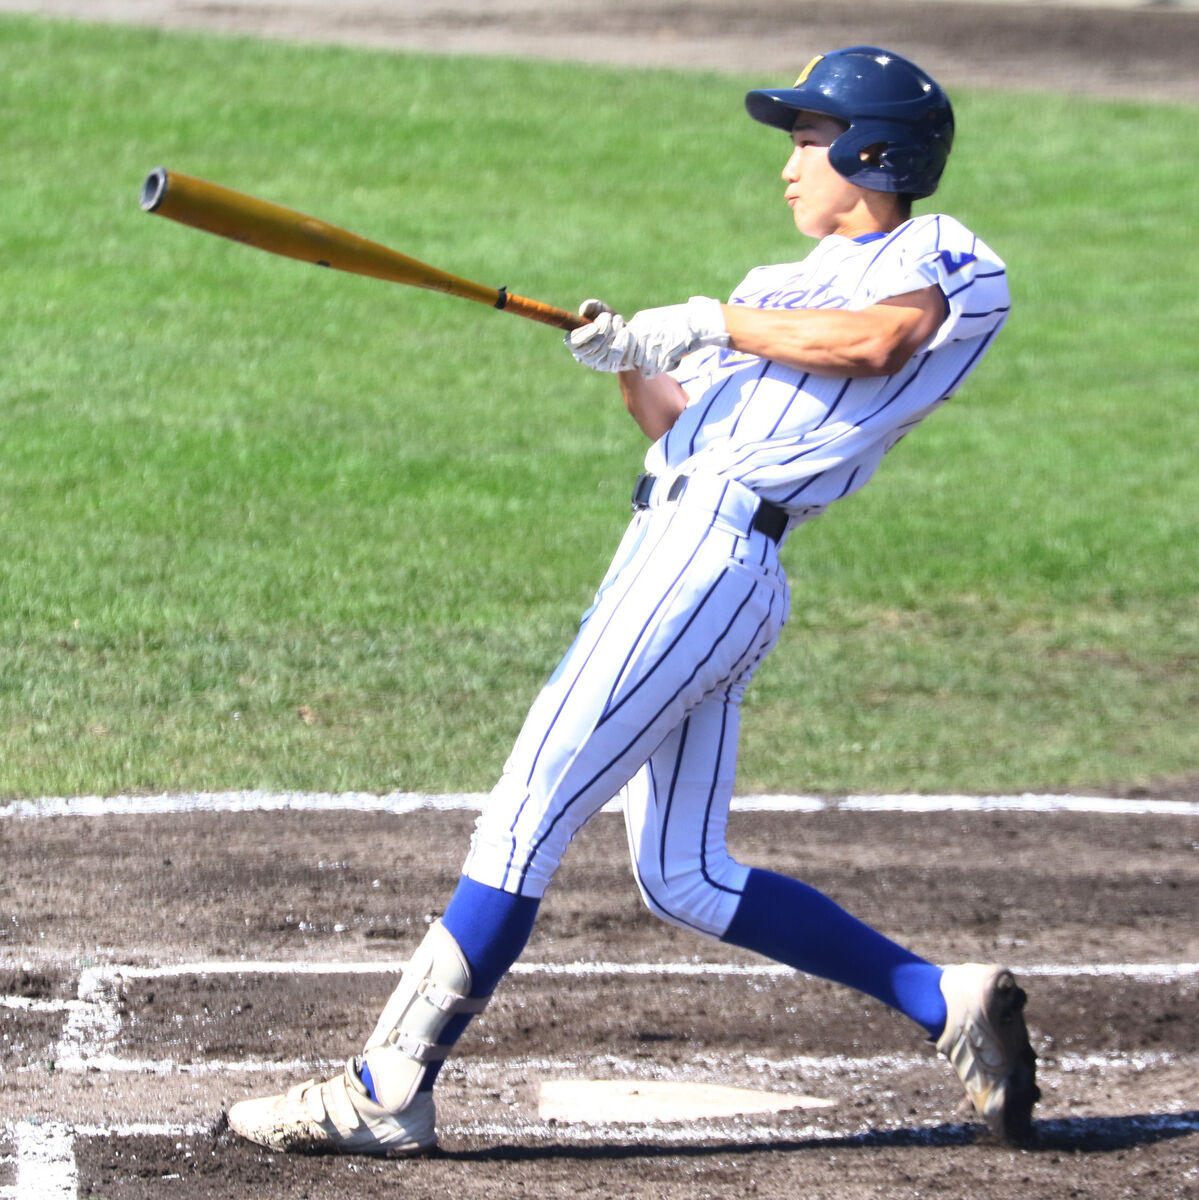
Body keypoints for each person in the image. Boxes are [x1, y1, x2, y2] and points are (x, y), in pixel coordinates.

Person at [227, 45, 1038, 1156]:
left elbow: (876, 339)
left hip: (707, 563)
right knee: (684, 874)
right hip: (679, 550)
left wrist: (700, 319)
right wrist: (620, 353)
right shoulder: (770, 287)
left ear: (871, 151)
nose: (789, 165)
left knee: (522, 814)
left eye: (806, 140)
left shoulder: (942, 257)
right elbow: (677, 421)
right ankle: (939, 997)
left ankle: (386, 1084)